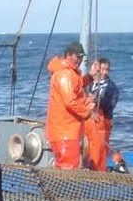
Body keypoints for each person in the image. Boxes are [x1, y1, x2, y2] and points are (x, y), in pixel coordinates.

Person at [43, 41, 92, 170]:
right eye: (77, 56)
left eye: (81, 57)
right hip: (66, 133)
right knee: (68, 171)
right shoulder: (65, 74)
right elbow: (70, 101)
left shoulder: (65, 72)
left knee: (63, 169)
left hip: (61, 132)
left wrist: (90, 77)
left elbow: (76, 85)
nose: (80, 60)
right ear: (68, 55)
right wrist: (88, 111)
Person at [82, 56, 120, 171]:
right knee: (84, 151)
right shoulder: (88, 83)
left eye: (106, 70)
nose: (104, 72)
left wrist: (96, 99)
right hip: (86, 122)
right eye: (101, 69)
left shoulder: (112, 88)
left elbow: (110, 105)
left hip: (101, 123)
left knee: (98, 153)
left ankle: (98, 174)